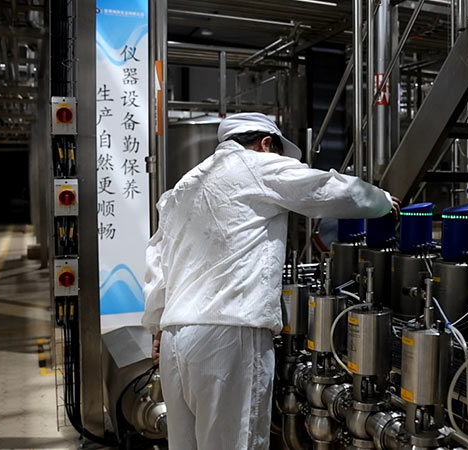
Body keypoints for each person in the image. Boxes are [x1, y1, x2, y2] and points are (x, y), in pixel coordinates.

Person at [141, 112, 398, 450]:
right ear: (265, 144)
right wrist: (381, 201)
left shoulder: (185, 185)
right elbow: (323, 188)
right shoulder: (255, 165)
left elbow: (157, 259)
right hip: (228, 333)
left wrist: (156, 323)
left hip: (176, 340)